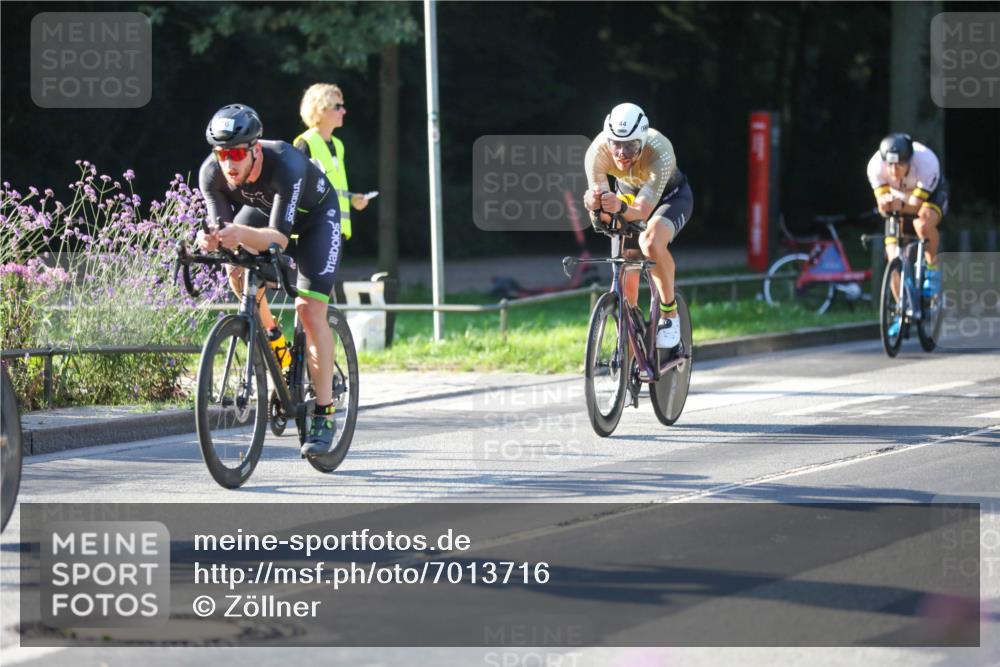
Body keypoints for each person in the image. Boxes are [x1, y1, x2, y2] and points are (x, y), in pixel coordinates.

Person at [196, 103, 342, 457]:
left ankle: (324, 414)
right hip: (265, 212)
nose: (228, 163)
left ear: (255, 149)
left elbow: (277, 237)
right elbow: (221, 228)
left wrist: (237, 232)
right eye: (221, 153)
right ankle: (275, 341)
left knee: (309, 311)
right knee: (234, 266)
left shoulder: (286, 163)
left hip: (315, 220)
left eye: (235, 154)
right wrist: (210, 238)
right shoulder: (211, 174)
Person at [582, 102, 693, 349]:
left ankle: (669, 312)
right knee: (627, 276)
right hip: (627, 196)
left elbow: (641, 212)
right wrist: (595, 206)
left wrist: (618, 208)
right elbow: (604, 216)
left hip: (670, 198)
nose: (621, 154)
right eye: (616, 145)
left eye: (630, 146)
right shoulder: (597, 153)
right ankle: (630, 355)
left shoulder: (660, 150)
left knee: (650, 242)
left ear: (642, 142)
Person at [867, 133, 949, 299]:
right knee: (893, 260)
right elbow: (883, 209)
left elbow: (916, 206)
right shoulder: (875, 166)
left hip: (930, 196)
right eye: (890, 164)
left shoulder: (927, 162)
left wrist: (900, 205)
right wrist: (884, 205)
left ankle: (933, 270)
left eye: (900, 165)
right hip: (899, 199)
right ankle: (900, 311)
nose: (893, 170)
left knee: (922, 224)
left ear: (910, 161)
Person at [293, 83, 369, 242]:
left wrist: (351, 198)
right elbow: (297, 188)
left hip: (336, 229)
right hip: (314, 229)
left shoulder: (338, 145)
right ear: (320, 109)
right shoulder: (305, 142)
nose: (344, 111)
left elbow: (333, 187)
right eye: (337, 106)